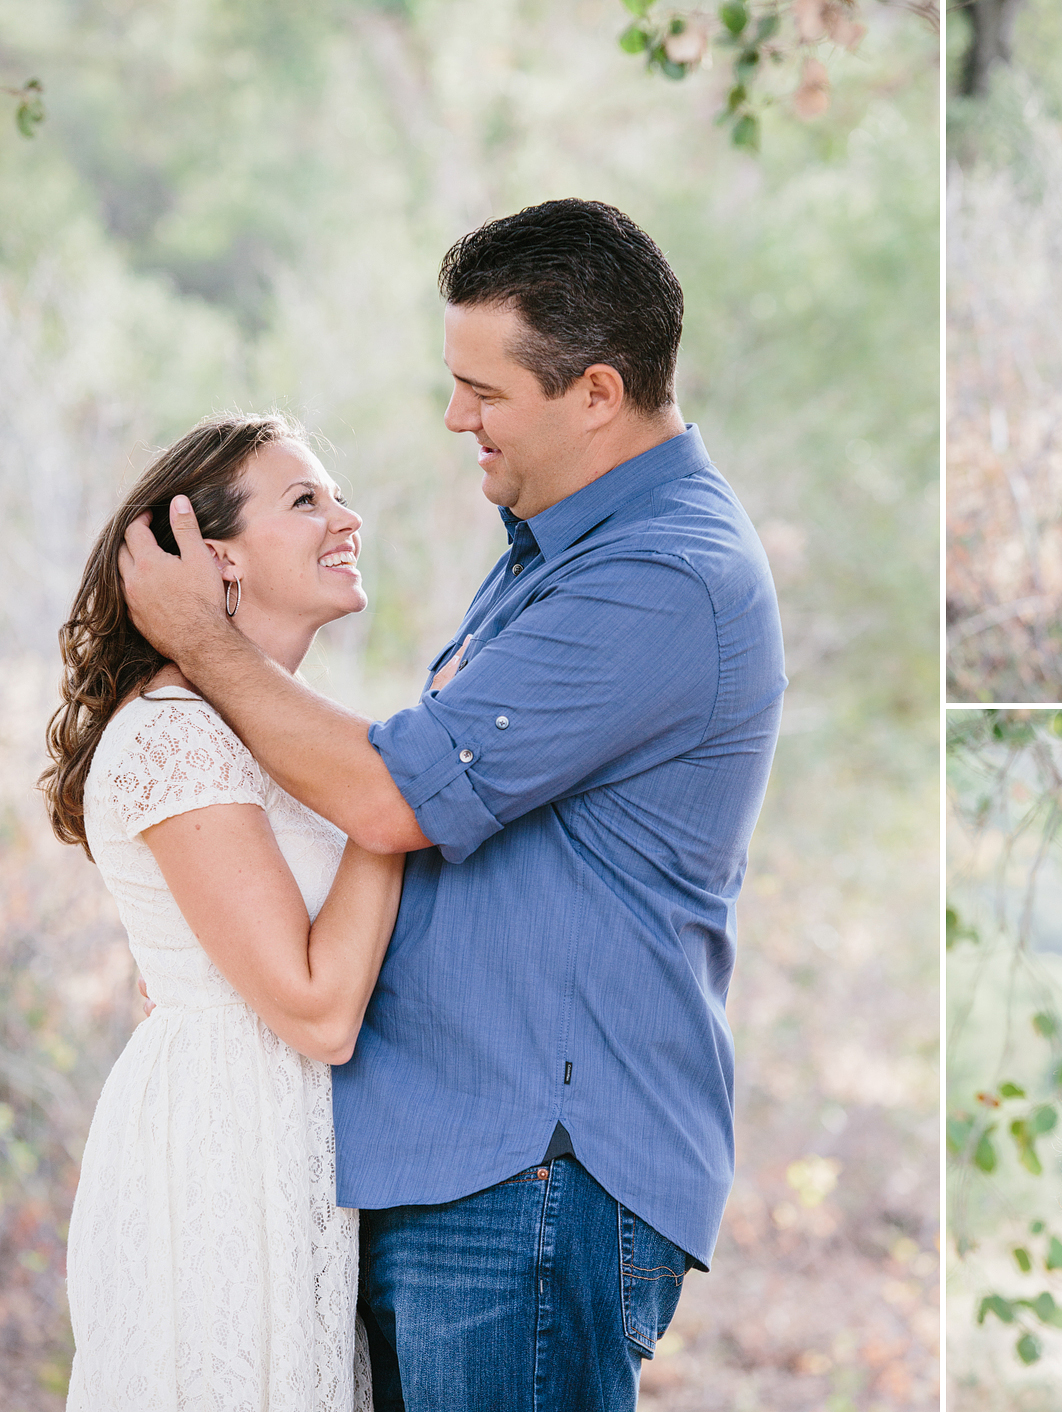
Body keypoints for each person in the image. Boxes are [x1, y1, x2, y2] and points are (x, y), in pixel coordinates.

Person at [117, 198, 786, 1410]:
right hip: (449, 1161)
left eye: (484, 390)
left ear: (594, 391)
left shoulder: (660, 575)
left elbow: (393, 795)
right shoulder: (554, 547)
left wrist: (201, 645)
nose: (454, 416)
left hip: (530, 1163)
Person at [47, 413, 402, 1409]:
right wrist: (396, 801)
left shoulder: (259, 731)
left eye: (333, 495)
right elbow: (316, 1006)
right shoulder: (175, 737)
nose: (347, 518)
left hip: (280, 1134)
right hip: (221, 1149)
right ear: (216, 561)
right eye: (306, 501)